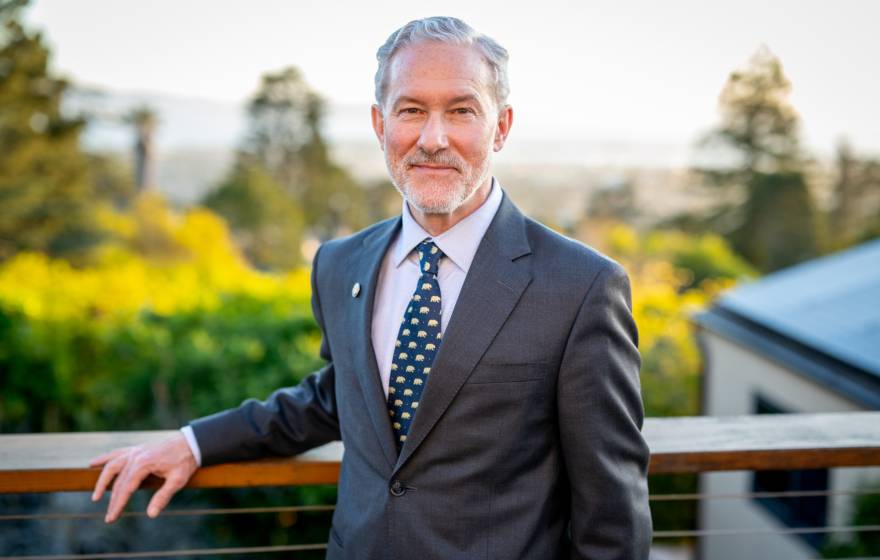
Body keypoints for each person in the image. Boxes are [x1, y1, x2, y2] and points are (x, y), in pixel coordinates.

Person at [91, 16, 652, 559]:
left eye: (461, 111)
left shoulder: (581, 286)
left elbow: (612, 516)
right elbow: (338, 399)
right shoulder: (339, 265)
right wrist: (193, 444)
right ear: (381, 124)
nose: (433, 139)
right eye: (411, 110)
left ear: (500, 126)